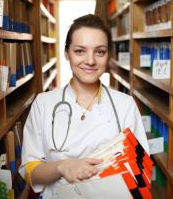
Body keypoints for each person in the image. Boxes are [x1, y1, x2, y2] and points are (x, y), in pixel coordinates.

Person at [19, 14, 149, 199]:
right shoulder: (44, 103)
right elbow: (29, 170)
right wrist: (62, 167)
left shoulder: (125, 105)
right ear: (66, 53)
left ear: (108, 56)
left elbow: (140, 172)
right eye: (80, 51)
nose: (90, 60)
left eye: (100, 52)